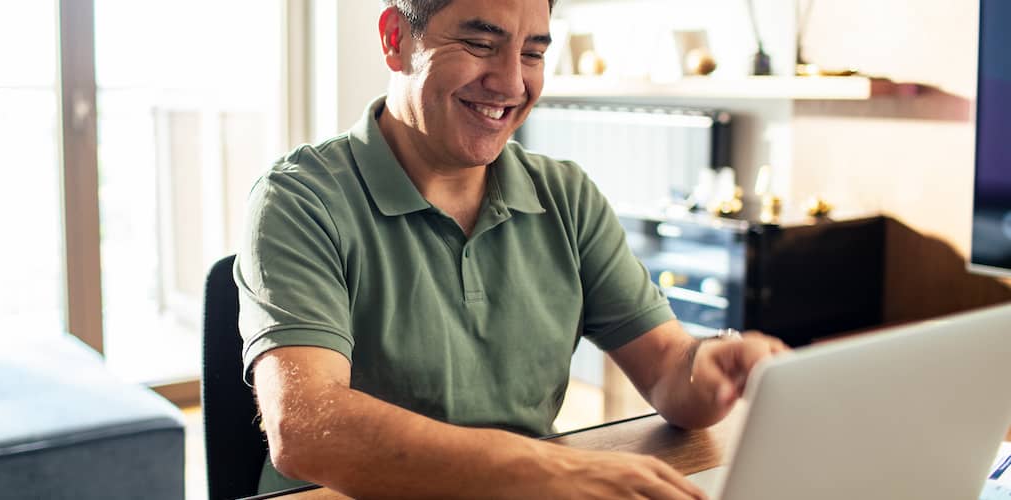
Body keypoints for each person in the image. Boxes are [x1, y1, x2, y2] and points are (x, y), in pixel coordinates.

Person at [236, 0, 788, 498]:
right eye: (480, 44)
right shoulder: (298, 199)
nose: (509, 82)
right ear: (395, 39)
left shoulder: (566, 196)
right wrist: (547, 471)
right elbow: (306, 426)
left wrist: (709, 366)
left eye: (533, 53)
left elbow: (669, 367)